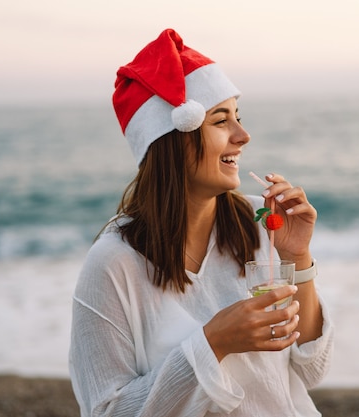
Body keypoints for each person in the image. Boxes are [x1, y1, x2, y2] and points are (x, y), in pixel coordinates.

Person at [69, 28, 334, 417]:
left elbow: (311, 368)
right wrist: (213, 342)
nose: (243, 136)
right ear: (172, 138)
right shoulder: (112, 264)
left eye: (238, 118)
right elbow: (106, 411)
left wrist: (298, 256)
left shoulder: (260, 228)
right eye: (220, 121)